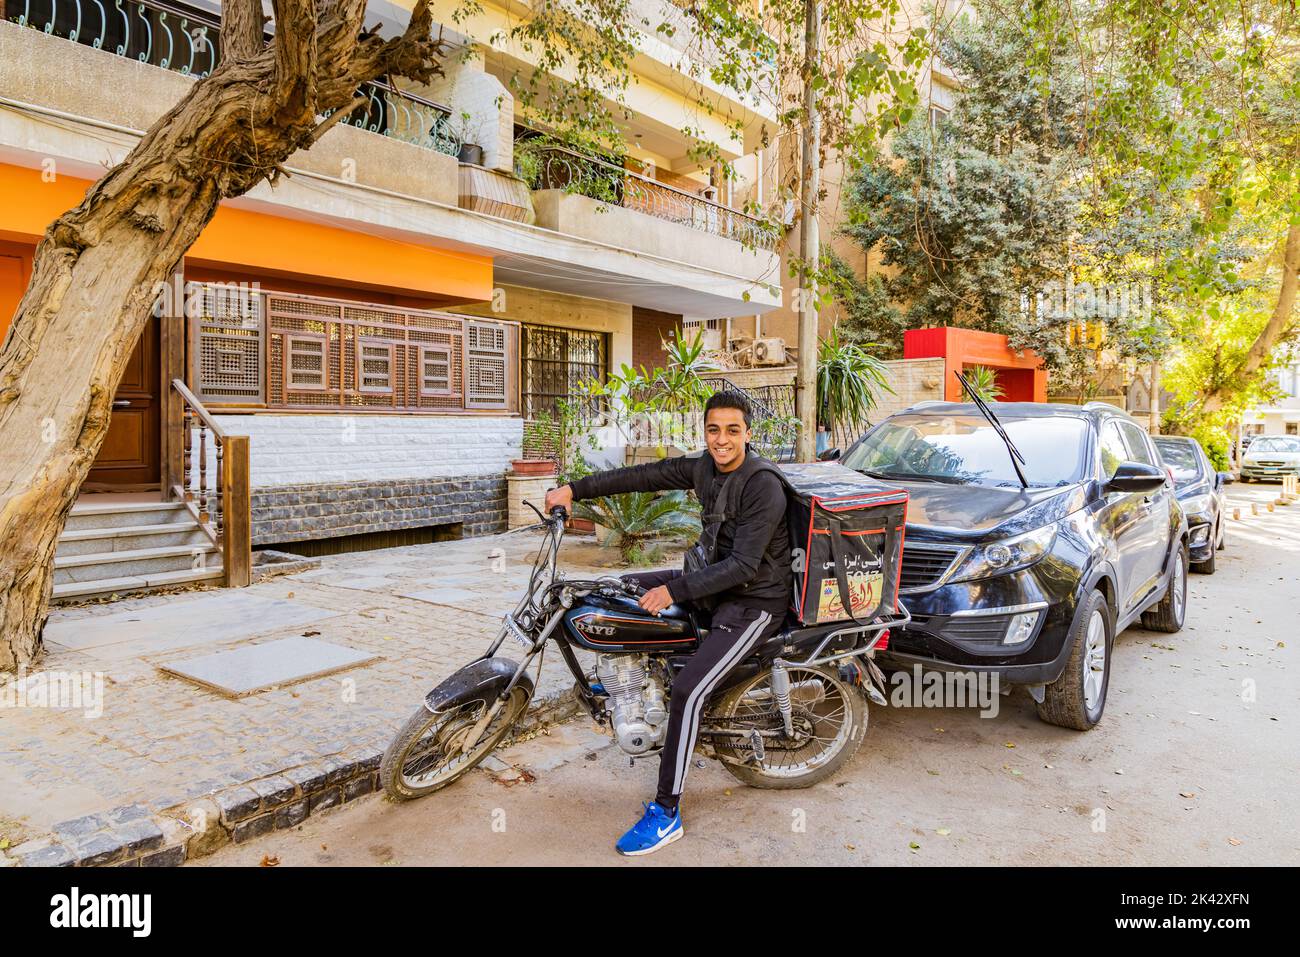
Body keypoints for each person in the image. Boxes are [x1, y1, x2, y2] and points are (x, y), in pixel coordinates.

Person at [544, 391, 791, 856]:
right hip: (710, 580)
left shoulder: (763, 485)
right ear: (705, 432)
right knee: (619, 589)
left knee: (689, 692)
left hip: (754, 602)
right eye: (714, 429)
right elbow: (641, 475)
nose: (722, 440)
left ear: (748, 434)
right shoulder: (703, 468)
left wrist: (675, 591)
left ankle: (666, 812)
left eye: (732, 430)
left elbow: (743, 565)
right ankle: (637, 687)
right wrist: (574, 489)